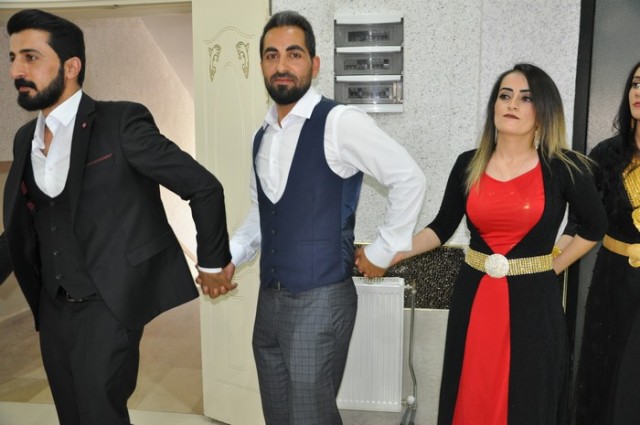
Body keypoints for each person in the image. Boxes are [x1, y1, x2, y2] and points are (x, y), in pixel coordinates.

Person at [4, 9, 235, 425]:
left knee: (100, 412)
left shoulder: (120, 122)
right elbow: (27, 225)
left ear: (71, 67)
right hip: (52, 306)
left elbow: (203, 186)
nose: (16, 70)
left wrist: (213, 263)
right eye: (12, 58)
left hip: (108, 302)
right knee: (70, 413)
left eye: (30, 57)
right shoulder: (25, 139)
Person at [207, 10, 426, 425]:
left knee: (311, 417)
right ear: (262, 66)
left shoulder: (339, 123)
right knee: (278, 416)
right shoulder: (261, 135)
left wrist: (382, 251)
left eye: (294, 54)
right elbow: (260, 214)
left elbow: (408, 178)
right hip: (269, 301)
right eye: (271, 55)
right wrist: (230, 256)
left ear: (315, 63)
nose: (282, 65)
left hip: (321, 298)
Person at [393, 63, 607, 425]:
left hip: (534, 304)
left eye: (526, 98)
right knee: (471, 391)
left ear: (544, 111)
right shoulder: (468, 163)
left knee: (527, 398)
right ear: (494, 105)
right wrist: (389, 253)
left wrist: (552, 266)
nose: (512, 104)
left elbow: (595, 225)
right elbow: (441, 228)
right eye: (505, 95)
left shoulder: (564, 168)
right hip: (474, 297)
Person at [572, 61, 640, 425]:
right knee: (606, 373)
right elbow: (581, 218)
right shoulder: (605, 154)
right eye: (636, 84)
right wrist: (555, 257)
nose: (639, 92)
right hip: (613, 281)